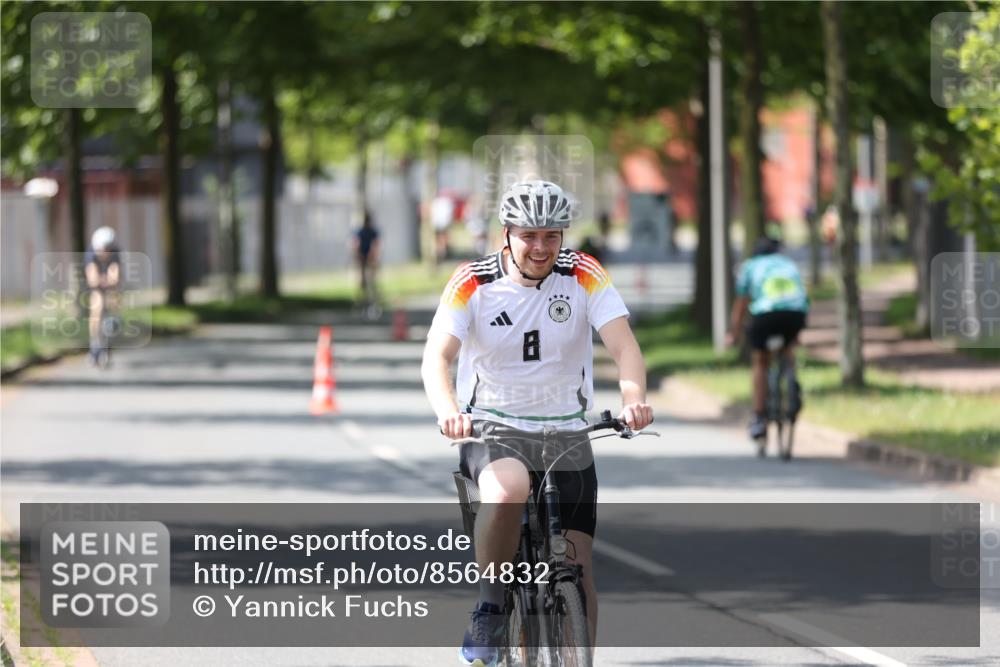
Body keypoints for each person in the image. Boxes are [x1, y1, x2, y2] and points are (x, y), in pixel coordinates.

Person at [421, 180, 653, 667]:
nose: (542, 247)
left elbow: (624, 346)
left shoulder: (584, 273)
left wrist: (634, 399)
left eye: (552, 235)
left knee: (577, 563)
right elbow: (436, 358)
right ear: (507, 234)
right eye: (530, 236)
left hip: (567, 432)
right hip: (494, 428)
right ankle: (489, 604)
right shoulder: (474, 280)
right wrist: (449, 412)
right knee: (507, 491)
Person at [726, 235, 809, 439]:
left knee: (761, 361)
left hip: (766, 315)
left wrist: (734, 334)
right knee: (788, 347)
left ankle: (759, 417)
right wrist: (798, 333)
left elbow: (740, 306)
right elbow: (804, 296)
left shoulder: (750, 266)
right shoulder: (788, 264)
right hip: (795, 314)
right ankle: (792, 386)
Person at [84, 226, 121, 365]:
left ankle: (112, 328)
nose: (106, 252)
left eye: (109, 249)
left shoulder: (115, 252)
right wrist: (98, 281)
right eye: (104, 249)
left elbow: (115, 273)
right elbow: (92, 277)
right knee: (97, 307)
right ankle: (94, 344)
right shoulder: (91, 253)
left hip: (108, 282)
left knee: (113, 299)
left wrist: (111, 282)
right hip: (97, 282)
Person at [352, 210, 381, 306]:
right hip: (363, 257)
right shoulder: (361, 232)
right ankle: (362, 299)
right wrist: (359, 255)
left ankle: (373, 298)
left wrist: (372, 255)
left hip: (370, 257)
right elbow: (356, 244)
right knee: (362, 279)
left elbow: (376, 244)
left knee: (372, 278)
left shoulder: (372, 231)